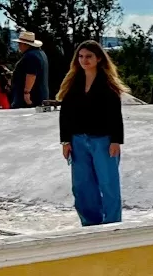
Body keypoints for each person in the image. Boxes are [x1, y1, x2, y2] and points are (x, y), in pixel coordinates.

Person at [58, 41, 126, 226]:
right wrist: (65, 140)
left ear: (98, 58)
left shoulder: (107, 83)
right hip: (78, 140)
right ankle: (90, 225)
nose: (84, 60)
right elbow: (65, 113)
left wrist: (116, 140)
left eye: (88, 56)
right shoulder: (73, 82)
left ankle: (113, 223)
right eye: (81, 56)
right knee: (82, 186)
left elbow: (115, 114)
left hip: (103, 140)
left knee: (108, 184)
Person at [11, 31, 50, 108]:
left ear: (25, 44)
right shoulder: (40, 53)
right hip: (40, 94)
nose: (18, 46)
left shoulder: (30, 56)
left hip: (30, 97)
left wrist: (26, 92)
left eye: (19, 44)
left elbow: (31, 74)